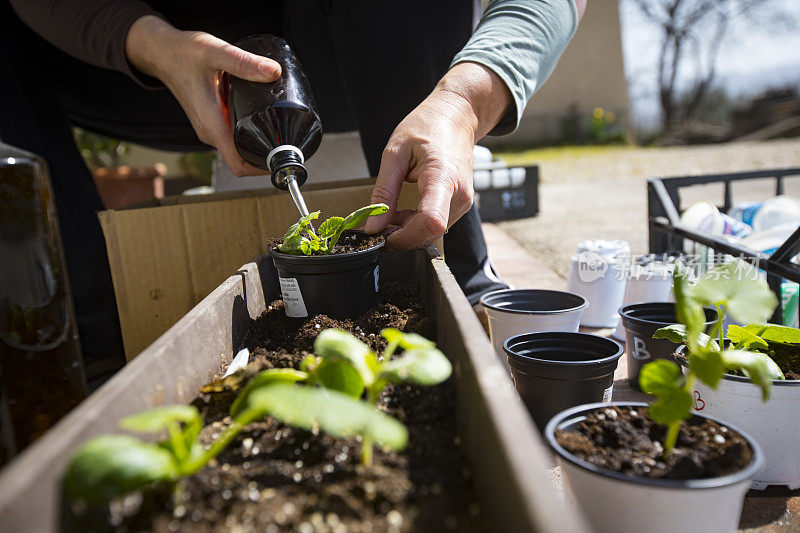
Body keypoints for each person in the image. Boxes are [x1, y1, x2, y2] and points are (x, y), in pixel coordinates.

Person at [1, 0, 585, 383]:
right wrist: (150, 43)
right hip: (147, 60)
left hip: (339, 41)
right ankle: (92, 338)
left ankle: (457, 278)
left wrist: (465, 99)